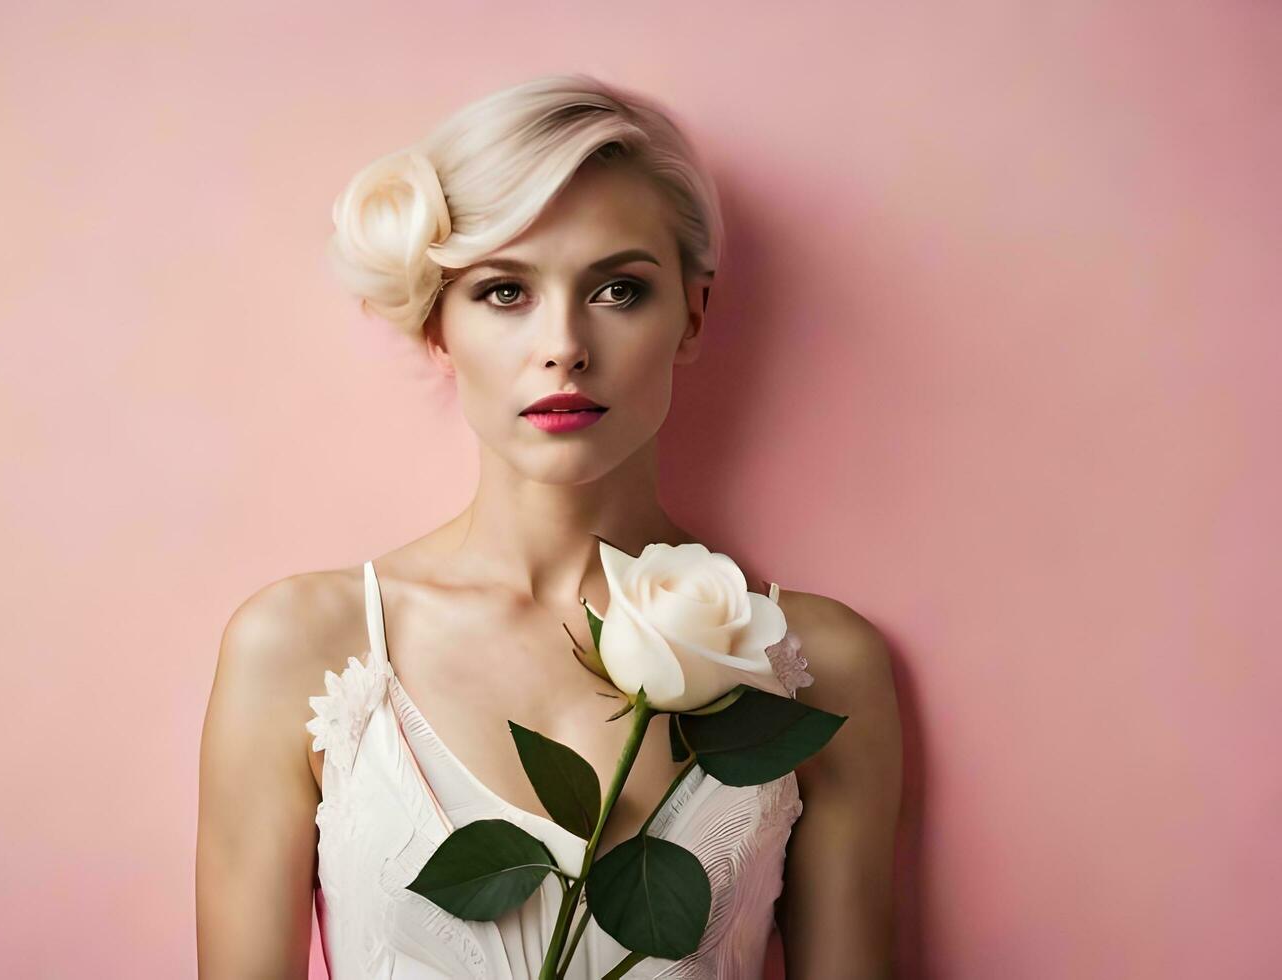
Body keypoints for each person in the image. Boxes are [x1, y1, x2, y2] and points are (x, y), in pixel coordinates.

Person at [196, 73, 903, 979]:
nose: (564, 342)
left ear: (693, 314)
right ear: (436, 328)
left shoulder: (820, 669)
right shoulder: (298, 648)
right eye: (503, 292)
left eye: (617, 289)